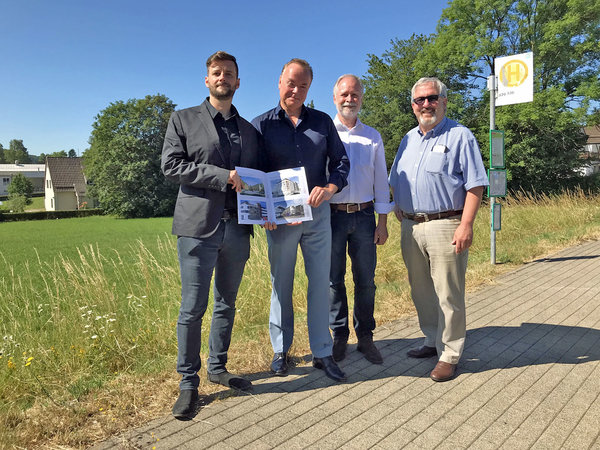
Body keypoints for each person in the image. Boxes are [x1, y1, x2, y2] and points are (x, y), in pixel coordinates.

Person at [161, 51, 261, 419]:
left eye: (229, 73)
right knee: (192, 308)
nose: (223, 78)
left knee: (226, 303)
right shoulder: (183, 119)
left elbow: (257, 178)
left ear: (238, 82)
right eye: (216, 73)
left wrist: (269, 209)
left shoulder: (249, 130)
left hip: (238, 229)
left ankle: (218, 368)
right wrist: (222, 177)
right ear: (207, 80)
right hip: (197, 228)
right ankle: (188, 382)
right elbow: (171, 166)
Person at [252, 58, 350, 382]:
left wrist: (331, 187)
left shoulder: (322, 122)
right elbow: (253, 174)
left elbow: (341, 162)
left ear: (309, 88)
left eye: (303, 85)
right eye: (291, 83)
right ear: (279, 82)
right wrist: (264, 211)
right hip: (279, 220)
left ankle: (322, 351)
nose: (296, 90)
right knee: (281, 284)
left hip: (317, 214)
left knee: (320, 283)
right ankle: (281, 350)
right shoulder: (261, 125)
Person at [389, 77, 488, 382]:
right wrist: (397, 204)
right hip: (411, 226)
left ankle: (450, 353)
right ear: (412, 105)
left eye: (432, 98)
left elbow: (476, 185)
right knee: (421, 291)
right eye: (419, 100)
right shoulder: (408, 139)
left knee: (448, 293)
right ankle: (432, 339)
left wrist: (466, 225)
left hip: (447, 225)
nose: (426, 104)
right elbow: (395, 178)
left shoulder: (460, 136)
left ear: (444, 101)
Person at [328, 74, 392, 364]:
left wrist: (382, 222)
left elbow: (381, 181)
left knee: (366, 280)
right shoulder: (325, 132)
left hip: (365, 216)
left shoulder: (373, 136)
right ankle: (339, 336)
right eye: (344, 94)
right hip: (332, 216)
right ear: (335, 98)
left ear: (361, 98)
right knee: (333, 280)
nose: (349, 99)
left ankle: (365, 337)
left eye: (354, 94)